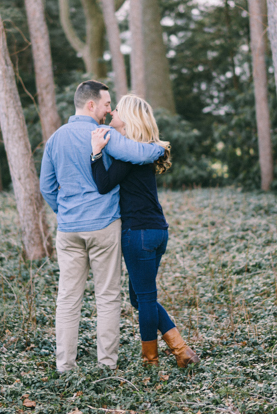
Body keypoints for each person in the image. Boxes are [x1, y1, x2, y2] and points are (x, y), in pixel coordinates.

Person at [39, 80, 165, 373]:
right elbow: (141, 154)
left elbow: (47, 188)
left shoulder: (55, 139)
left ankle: (64, 366)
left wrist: (65, 211)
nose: (110, 111)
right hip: (104, 226)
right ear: (91, 104)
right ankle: (107, 365)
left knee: (68, 299)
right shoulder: (105, 135)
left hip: (68, 229)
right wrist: (160, 148)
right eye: (107, 104)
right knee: (107, 297)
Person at [90, 94, 200, 368]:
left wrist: (96, 153)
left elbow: (103, 184)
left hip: (138, 233)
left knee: (146, 299)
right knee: (140, 298)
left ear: (127, 117)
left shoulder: (129, 154)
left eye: (117, 110)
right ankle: (182, 350)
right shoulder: (142, 151)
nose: (112, 112)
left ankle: (152, 361)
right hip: (157, 231)